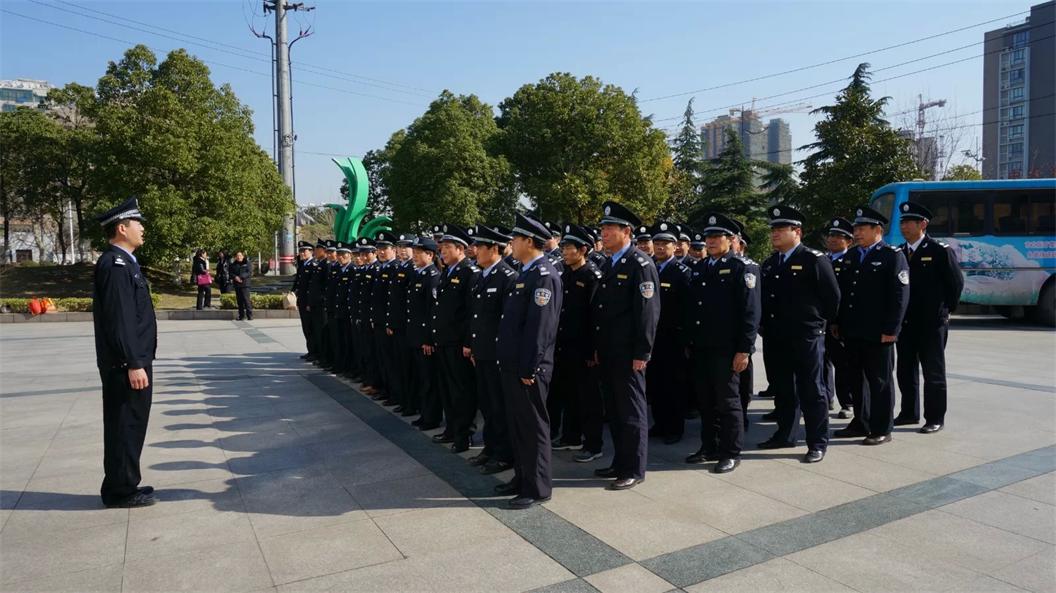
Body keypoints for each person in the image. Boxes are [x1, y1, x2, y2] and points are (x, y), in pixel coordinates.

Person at [757, 206, 840, 463]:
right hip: (777, 336)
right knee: (783, 389)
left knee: (812, 389)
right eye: (773, 229)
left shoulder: (814, 259)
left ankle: (817, 442)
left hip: (806, 336)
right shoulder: (771, 263)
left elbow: (832, 297)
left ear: (797, 232)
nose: (775, 234)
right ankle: (785, 434)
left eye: (781, 229)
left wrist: (817, 323)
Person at [682, 213, 760, 473]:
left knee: (728, 402)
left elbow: (750, 313)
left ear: (731, 239)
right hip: (702, 346)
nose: (711, 241)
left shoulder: (742, 268)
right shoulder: (701, 267)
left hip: (727, 348)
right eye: (709, 237)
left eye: (717, 237)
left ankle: (731, 452)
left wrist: (744, 349)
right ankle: (709, 446)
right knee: (706, 401)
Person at [92, 197, 157, 508]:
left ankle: (126, 481)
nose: (142, 228)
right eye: (137, 223)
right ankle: (120, 490)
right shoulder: (115, 265)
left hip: (133, 359)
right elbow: (120, 319)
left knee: (131, 423)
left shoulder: (125, 262)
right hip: (126, 363)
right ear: (122, 228)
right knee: (124, 424)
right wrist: (133, 361)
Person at [495, 213, 563, 509]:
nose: (511, 243)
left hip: (529, 367)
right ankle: (522, 477)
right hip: (514, 364)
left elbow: (541, 328)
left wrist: (529, 366)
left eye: (515, 238)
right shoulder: (525, 272)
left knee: (533, 427)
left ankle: (538, 487)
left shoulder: (544, 275)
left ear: (528, 241)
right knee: (518, 424)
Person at [591, 201, 660, 490]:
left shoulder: (640, 264)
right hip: (609, 351)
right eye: (603, 229)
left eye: (610, 228)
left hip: (629, 353)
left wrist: (642, 352)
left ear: (626, 231)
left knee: (631, 412)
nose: (604, 233)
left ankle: (633, 468)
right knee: (616, 411)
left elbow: (648, 313)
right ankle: (620, 462)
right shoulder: (611, 262)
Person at [831, 205, 909, 446]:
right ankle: (861, 421)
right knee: (856, 379)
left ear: (878, 230)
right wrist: (837, 321)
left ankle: (882, 427)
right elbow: (843, 293)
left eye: (862, 228)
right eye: (855, 228)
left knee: (880, 381)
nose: (856, 233)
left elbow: (900, 296)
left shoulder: (892, 256)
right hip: (852, 330)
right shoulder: (852, 256)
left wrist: (892, 329)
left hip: (878, 332)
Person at [894, 201, 964, 434]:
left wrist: (945, 311)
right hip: (906, 323)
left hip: (932, 323)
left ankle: (935, 417)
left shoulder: (939, 251)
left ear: (922, 224)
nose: (904, 227)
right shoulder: (899, 252)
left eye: (909, 222)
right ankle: (908, 413)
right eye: (902, 222)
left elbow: (955, 283)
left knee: (933, 371)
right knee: (905, 370)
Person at [549, 224, 604, 462]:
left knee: (589, 399)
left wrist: (592, 351)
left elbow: (596, 317)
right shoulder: (565, 274)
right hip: (565, 345)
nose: (564, 251)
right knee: (569, 393)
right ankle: (571, 436)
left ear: (583, 250)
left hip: (584, 348)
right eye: (562, 247)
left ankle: (593, 444)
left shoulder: (592, 276)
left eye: (568, 247)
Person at [466, 225, 518, 474]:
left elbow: (508, 323)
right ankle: (490, 447)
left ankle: (504, 454)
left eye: (479, 247)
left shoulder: (507, 277)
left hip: (497, 354)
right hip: (482, 352)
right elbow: (476, 317)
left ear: (494, 249)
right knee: (487, 404)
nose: (475, 250)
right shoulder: (481, 276)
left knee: (499, 405)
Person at [432, 224, 481, 453]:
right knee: (448, 389)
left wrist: (469, 343)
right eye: (441, 248)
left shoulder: (469, 273)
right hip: (444, 340)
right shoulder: (447, 272)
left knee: (462, 391)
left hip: (459, 344)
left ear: (460, 249)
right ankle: (451, 428)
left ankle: (464, 435)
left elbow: (471, 312)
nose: (442, 251)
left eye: (447, 247)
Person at [646, 221, 692, 445]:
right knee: (655, 383)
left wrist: (686, 339)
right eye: (657, 243)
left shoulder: (682, 273)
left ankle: (675, 427)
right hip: (652, 337)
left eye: (665, 243)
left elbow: (688, 308)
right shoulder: (649, 268)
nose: (660, 247)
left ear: (675, 246)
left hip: (674, 337)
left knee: (674, 384)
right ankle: (660, 423)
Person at [407, 237, 442, 429]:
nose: (414, 256)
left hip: (425, 339)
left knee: (429, 380)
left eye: (418, 253)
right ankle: (424, 413)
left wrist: (429, 338)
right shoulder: (418, 274)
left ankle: (431, 417)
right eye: (414, 252)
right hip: (415, 336)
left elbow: (432, 311)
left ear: (429, 255)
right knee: (421, 378)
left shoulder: (433, 276)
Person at [823, 218, 856, 419]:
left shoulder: (851, 260)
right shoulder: (822, 259)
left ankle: (848, 402)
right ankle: (826, 397)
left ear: (849, 241)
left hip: (841, 322)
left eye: (839, 236)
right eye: (831, 235)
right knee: (822, 361)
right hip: (822, 321)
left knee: (843, 364)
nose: (833, 239)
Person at [293, 241, 315, 360]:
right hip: (302, 300)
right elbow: (298, 281)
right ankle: (310, 350)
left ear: (311, 252)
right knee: (305, 327)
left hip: (308, 302)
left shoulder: (313, 264)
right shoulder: (303, 264)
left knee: (310, 328)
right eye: (300, 251)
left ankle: (314, 351)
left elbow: (312, 287)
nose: (301, 253)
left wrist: (309, 303)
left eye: (304, 251)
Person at [230, 251, 253, 321]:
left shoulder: (247, 263)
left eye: (240, 255)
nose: (239, 257)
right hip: (237, 285)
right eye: (237, 256)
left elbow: (249, 272)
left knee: (246, 300)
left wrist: (241, 277)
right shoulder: (233, 264)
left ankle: (249, 315)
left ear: (243, 256)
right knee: (239, 301)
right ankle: (241, 316)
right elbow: (231, 273)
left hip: (245, 284)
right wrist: (235, 277)